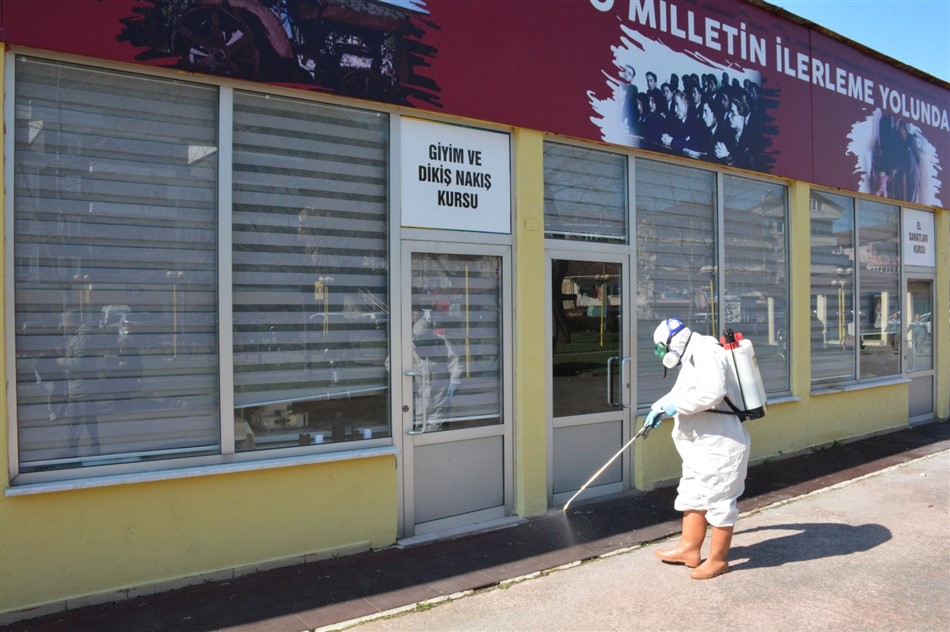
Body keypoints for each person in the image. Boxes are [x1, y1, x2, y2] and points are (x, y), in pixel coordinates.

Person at [643, 317, 751, 579]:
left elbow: (712, 393)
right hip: (699, 444)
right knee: (692, 493)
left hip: (720, 443)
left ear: (674, 341)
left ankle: (718, 560)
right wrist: (658, 407)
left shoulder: (707, 352)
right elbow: (681, 391)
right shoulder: (691, 355)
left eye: (662, 348)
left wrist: (674, 407)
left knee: (719, 500)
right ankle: (689, 550)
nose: (662, 355)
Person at [57, 311, 101, 456]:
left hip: (84, 386)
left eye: (64, 321)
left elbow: (80, 363)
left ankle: (95, 447)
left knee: (88, 417)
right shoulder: (73, 335)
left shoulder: (83, 337)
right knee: (72, 418)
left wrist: (61, 361)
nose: (62, 324)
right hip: (74, 386)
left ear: (72, 321)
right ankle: (71, 449)